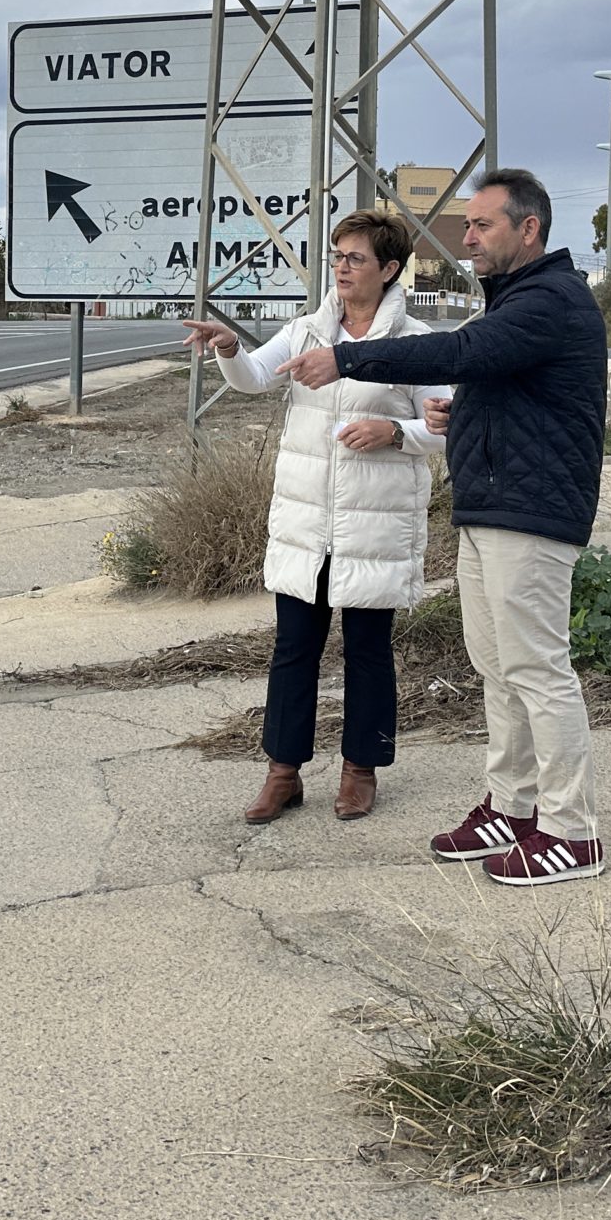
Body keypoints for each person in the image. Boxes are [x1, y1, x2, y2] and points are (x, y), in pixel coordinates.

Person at [279, 168, 610, 885]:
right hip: (494, 506)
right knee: (497, 668)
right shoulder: (516, 301)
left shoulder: (549, 299)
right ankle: (513, 806)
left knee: (539, 671)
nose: (467, 239)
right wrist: (460, 420)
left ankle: (570, 829)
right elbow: (515, 393)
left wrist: (346, 357)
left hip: (532, 514)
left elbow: (455, 354)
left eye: (482, 224)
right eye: (467, 225)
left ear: (529, 228)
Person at [181, 211, 442, 825]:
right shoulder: (304, 332)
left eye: (356, 257)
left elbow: (444, 425)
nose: (343, 266)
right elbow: (251, 379)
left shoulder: (414, 342)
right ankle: (283, 772)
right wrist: (228, 347)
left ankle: (360, 770)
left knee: (368, 652)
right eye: (337, 255)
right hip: (305, 523)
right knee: (294, 648)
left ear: (390, 269)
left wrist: (393, 432)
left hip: (374, 525)